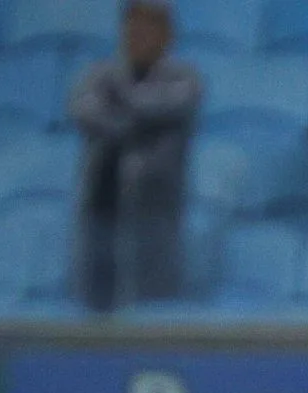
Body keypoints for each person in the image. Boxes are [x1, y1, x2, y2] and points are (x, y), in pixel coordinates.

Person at [67, 0, 201, 313]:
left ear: (166, 36)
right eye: (132, 28)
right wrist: (130, 120)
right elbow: (83, 111)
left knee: (151, 308)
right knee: (93, 307)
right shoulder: (100, 76)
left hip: (153, 218)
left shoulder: (185, 80)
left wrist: (119, 105)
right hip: (100, 210)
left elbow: (160, 106)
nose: (137, 36)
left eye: (147, 29)